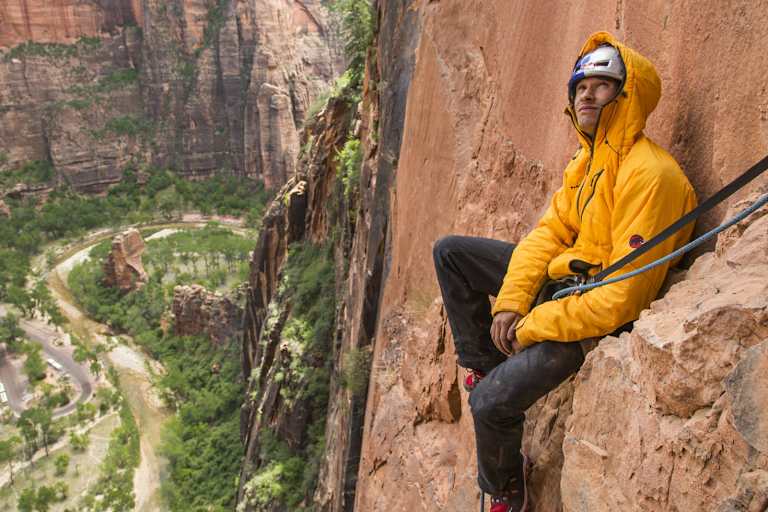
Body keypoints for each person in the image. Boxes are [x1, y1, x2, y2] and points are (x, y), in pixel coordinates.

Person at [432, 32, 697, 512]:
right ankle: (486, 364)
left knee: (488, 405)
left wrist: (530, 326)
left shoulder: (650, 175)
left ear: (627, 94)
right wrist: (513, 302)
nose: (587, 95)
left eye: (602, 85)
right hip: (565, 291)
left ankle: (508, 489)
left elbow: (620, 300)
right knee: (451, 252)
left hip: (594, 322)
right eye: (581, 86)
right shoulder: (587, 162)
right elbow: (547, 235)